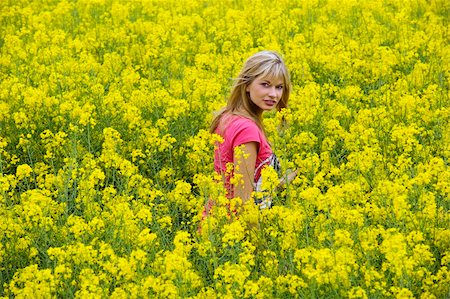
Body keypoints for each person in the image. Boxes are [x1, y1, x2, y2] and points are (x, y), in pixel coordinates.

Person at [206, 50, 297, 215]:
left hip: (219, 224)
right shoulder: (247, 130)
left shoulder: (229, 116)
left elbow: (246, 182)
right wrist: (258, 240)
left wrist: (280, 183)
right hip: (236, 231)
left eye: (279, 87)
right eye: (265, 84)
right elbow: (243, 202)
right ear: (247, 84)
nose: (273, 94)